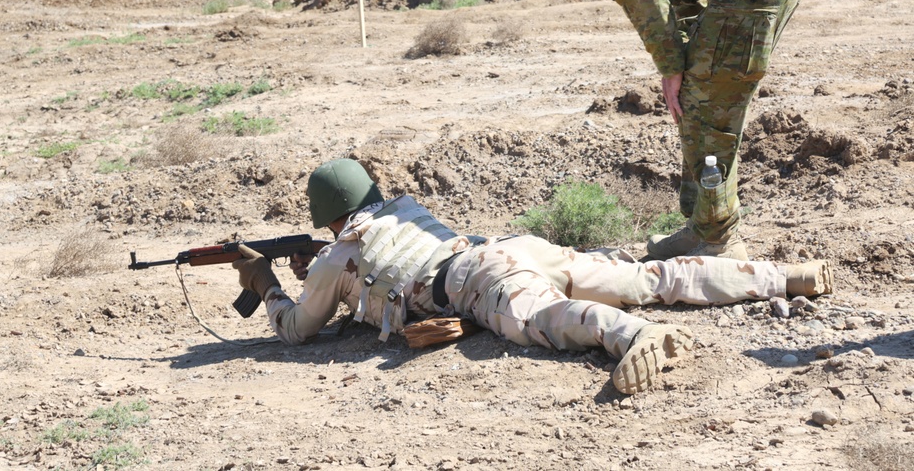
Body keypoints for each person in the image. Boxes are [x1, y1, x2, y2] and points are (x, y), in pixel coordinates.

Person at [233, 158, 833, 395]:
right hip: (507, 248)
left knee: (543, 319)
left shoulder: (341, 254)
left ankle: (630, 336)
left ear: (327, 217)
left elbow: (297, 331)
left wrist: (268, 285)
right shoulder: (403, 207)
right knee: (645, 275)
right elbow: (390, 259)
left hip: (474, 281)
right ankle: (780, 277)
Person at [527, 0, 826, 261]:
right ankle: (704, 228)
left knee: (706, 110)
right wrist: (683, 59)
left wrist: (671, 68)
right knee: (707, 103)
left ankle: (717, 240)